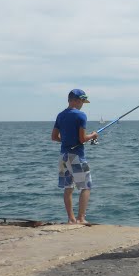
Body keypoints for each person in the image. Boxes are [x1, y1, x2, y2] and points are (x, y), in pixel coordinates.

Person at [51, 89, 98, 224]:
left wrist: (66, 141)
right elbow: (82, 139)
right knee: (86, 186)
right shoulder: (80, 116)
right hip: (76, 156)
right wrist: (93, 135)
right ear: (77, 100)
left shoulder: (60, 115)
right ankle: (81, 218)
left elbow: (54, 137)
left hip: (63, 156)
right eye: (82, 101)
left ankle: (71, 219)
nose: (83, 104)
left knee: (68, 188)